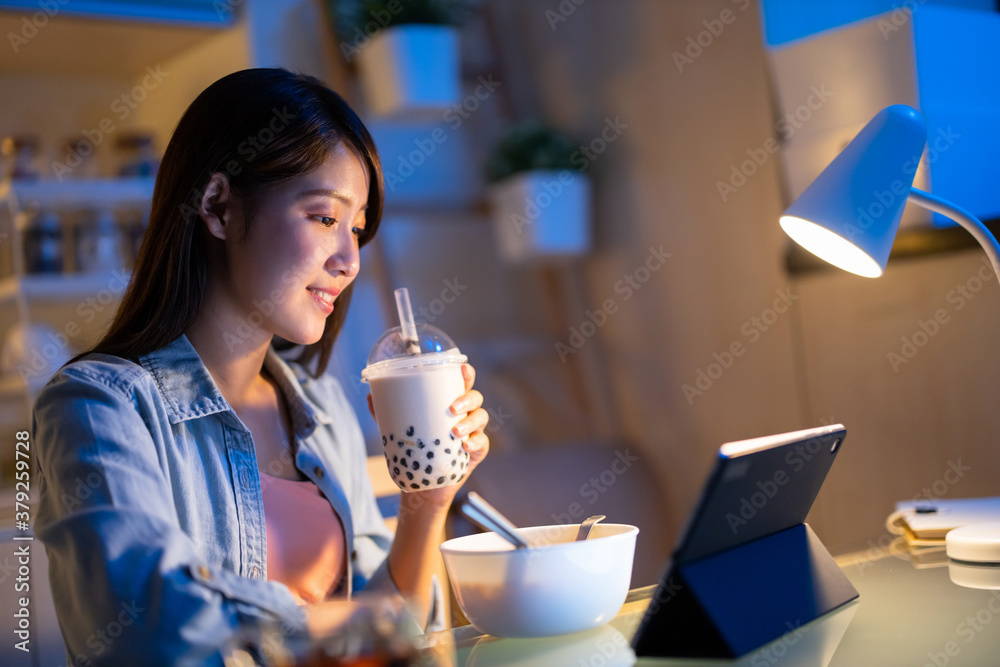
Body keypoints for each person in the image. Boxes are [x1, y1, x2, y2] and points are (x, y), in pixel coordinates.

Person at [31, 68, 490, 664]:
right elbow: (148, 628)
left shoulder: (320, 408)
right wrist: (342, 625)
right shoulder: (97, 406)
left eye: (356, 230)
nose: (349, 260)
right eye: (325, 218)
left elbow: (392, 631)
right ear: (219, 206)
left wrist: (427, 499)